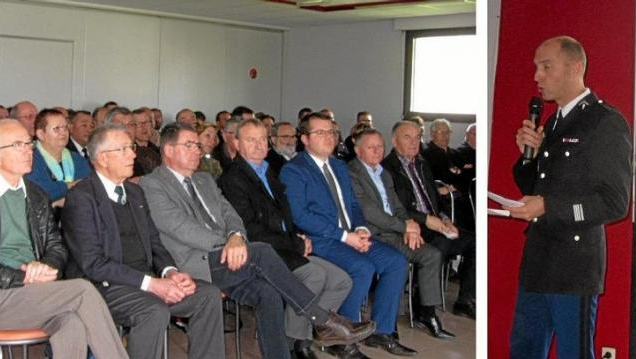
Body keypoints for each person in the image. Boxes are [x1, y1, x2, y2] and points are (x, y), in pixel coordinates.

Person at [140, 123, 375, 359]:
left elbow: (231, 214)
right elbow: (181, 227)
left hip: (230, 258)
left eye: (197, 145)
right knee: (261, 252)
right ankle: (322, 319)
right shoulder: (153, 184)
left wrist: (236, 237)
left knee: (267, 293)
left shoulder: (205, 180)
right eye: (189, 145)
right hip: (194, 263)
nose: (197, 150)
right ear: (168, 150)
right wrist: (229, 243)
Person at [505, 36, 632, 359]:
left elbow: (615, 202)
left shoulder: (604, 122)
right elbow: (533, 186)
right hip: (538, 258)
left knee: (573, 353)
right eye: (536, 68)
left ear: (575, 68)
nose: (537, 76)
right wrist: (527, 158)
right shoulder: (554, 121)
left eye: (546, 67)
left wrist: (548, 206)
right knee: (524, 349)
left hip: (573, 266)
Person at [61, 123, 224, 359]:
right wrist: (152, 284)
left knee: (207, 295)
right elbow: (93, 264)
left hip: (145, 279)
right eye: (125, 149)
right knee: (153, 310)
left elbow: (155, 242)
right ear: (103, 158)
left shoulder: (135, 193)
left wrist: (170, 273)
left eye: (132, 147)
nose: (133, 154)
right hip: (103, 286)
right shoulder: (82, 198)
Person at [280, 113, 416, 358]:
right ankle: (341, 338)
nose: (328, 137)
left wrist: (361, 229)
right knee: (362, 268)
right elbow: (301, 216)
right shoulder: (294, 170)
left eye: (331, 132)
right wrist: (345, 236)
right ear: (305, 139)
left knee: (396, 262)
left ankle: (382, 331)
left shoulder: (339, 166)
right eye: (320, 132)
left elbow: (352, 205)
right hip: (320, 239)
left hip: (350, 234)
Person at [219, 119, 353, 359]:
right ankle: (295, 344)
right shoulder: (233, 179)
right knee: (314, 276)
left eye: (263, 139)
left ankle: (311, 333)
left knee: (341, 280)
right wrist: (296, 244)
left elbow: (285, 216)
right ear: (236, 142)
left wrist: (298, 237)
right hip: (260, 253)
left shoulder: (269, 170)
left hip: (285, 246)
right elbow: (251, 230)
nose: (260, 145)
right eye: (251, 139)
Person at [0, 119, 128, 359]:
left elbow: (56, 246)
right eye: (17, 145)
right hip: (6, 291)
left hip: (31, 291)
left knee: (71, 323)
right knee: (82, 290)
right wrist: (24, 275)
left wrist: (45, 269)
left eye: (28, 143)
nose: (28, 150)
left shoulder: (36, 194)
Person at [348, 128, 454, 340]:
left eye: (380, 146)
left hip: (395, 230)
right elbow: (370, 212)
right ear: (358, 150)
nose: (378, 151)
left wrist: (410, 225)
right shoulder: (352, 173)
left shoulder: (382, 173)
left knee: (431, 254)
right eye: (371, 147)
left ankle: (428, 313)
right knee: (398, 263)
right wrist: (405, 227)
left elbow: (397, 206)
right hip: (373, 234)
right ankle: (389, 323)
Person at [382, 121, 476, 319]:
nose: (414, 142)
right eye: (408, 137)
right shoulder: (387, 169)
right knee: (438, 245)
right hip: (410, 226)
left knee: (475, 242)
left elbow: (433, 197)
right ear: (394, 141)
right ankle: (423, 307)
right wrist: (427, 220)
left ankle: (465, 300)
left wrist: (443, 218)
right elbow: (397, 208)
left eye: (417, 137)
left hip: (434, 223)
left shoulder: (422, 163)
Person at [27, 109, 90, 207]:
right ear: (41, 134)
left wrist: (58, 193)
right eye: (56, 129)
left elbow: (88, 188)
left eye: (65, 128)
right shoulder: (30, 158)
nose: (63, 133)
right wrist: (71, 185)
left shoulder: (77, 159)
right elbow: (39, 192)